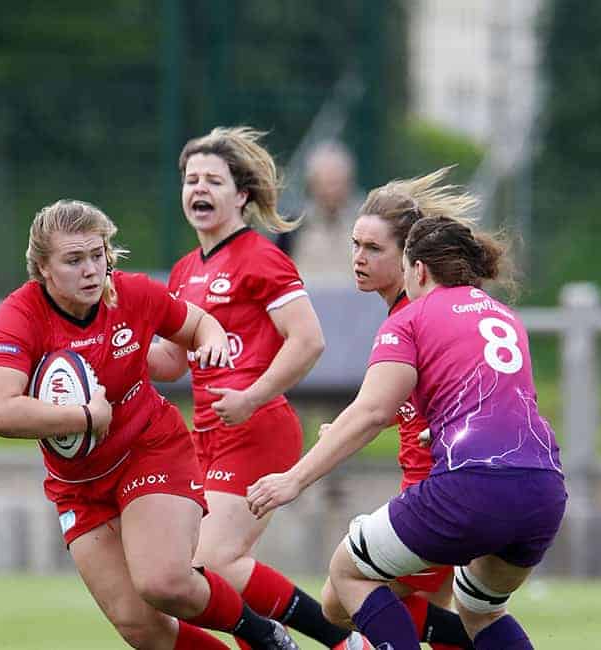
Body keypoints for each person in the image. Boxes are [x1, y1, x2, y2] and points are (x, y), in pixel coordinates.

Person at [0, 199, 300, 650]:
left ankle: (261, 632)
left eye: (98, 254)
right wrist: (85, 417)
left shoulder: (131, 293)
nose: (92, 270)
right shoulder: (22, 314)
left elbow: (199, 324)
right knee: (141, 627)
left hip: (149, 451)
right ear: (43, 269)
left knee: (163, 582)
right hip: (78, 484)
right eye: (74, 260)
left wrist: (210, 344)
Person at [247, 215, 567, 649]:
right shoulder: (504, 316)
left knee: (346, 573)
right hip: (543, 489)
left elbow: (373, 411)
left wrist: (293, 480)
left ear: (416, 270)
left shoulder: (411, 318)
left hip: (470, 488)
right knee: (480, 608)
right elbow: (497, 406)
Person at [149, 127, 372, 650]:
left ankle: (342, 641)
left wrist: (251, 395)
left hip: (256, 428)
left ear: (242, 196)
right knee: (187, 575)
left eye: (213, 180)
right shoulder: (184, 271)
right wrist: (115, 344)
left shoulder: (261, 257)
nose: (198, 189)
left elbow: (308, 341)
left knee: (212, 562)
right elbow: (171, 361)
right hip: (206, 434)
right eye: (190, 180)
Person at [319, 168, 477, 650]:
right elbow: (414, 393)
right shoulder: (408, 311)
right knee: (441, 611)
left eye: (373, 249)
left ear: (409, 256)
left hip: (435, 489)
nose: (358, 259)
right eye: (355, 245)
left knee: (339, 599)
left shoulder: (415, 315)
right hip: (437, 484)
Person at [277, 140, 364, 286]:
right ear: (312, 183)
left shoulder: (365, 224)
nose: (331, 190)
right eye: (326, 182)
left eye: (336, 182)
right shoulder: (293, 227)